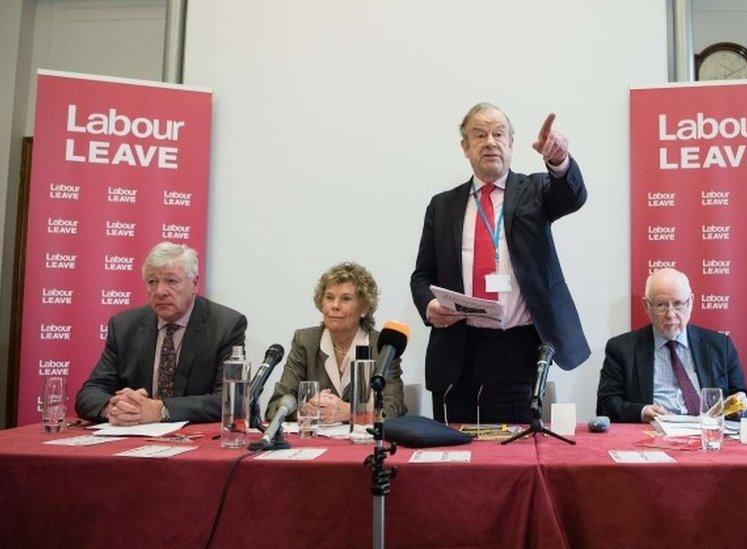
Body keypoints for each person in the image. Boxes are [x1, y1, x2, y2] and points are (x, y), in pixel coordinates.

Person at [410, 102, 590, 424]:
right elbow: (422, 276)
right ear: (465, 147)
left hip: (518, 350)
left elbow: (571, 197)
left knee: (515, 455)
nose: (490, 141)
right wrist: (429, 306)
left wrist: (559, 160)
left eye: (498, 134)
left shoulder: (535, 189)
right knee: (456, 455)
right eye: (479, 135)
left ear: (511, 143)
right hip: (458, 351)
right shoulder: (442, 206)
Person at [75, 242, 247, 424]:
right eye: (152, 282)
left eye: (171, 281)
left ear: (195, 283)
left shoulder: (226, 325)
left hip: (193, 441)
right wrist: (114, 408)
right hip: (134, 440)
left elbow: (229, 399)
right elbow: (90, 393)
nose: (160, 291)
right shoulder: (124, 326)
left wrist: (161, 409)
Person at [597, 268, 747, 422]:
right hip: (651, 435)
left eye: (678, 303)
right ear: (646, 306)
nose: (671, 314)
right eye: (661, 305)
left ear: (691, 302)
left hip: (706, 435)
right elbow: (605, 405)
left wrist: (740, 408)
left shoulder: (720, 346)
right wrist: (642, 412)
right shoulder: (622, 349)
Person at [266, 262, 406, 423]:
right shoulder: (305, 341)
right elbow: (274, 407)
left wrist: (349, 412)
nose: (335, 306)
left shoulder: (383, 347)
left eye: (345, 299)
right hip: (315, 443)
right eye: (329, 297)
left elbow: (393, 409)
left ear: (364, 308)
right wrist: (305, 411)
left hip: (362, 443)